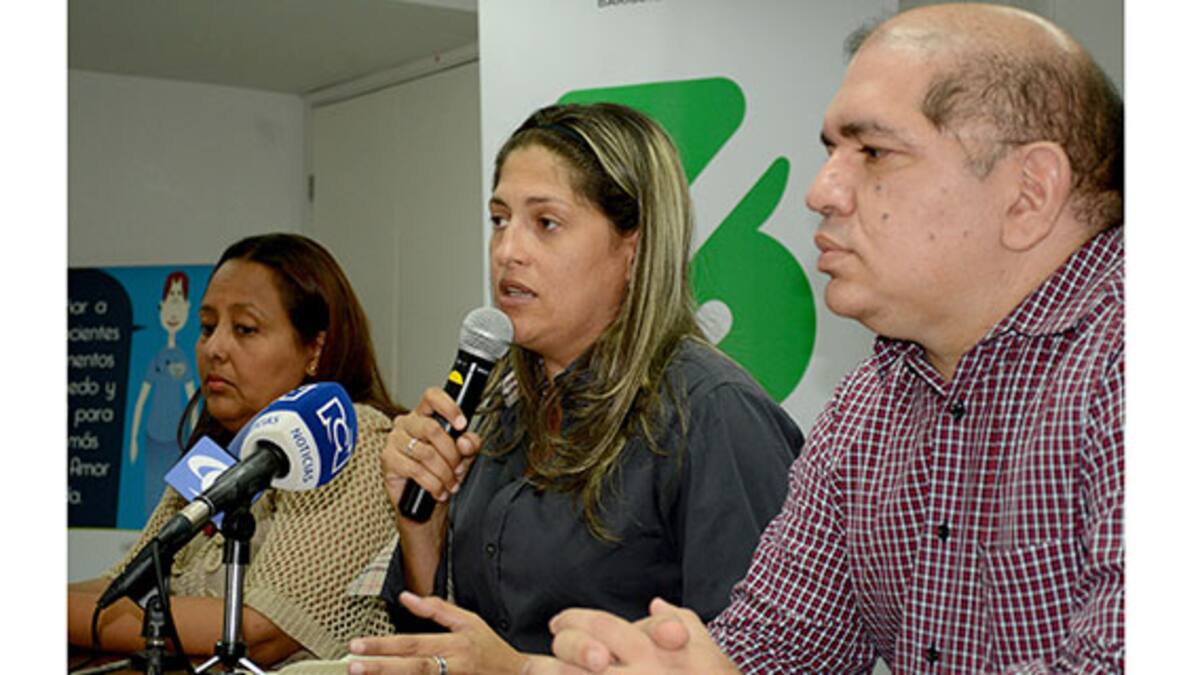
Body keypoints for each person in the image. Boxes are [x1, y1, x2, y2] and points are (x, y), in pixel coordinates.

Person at [529, 3, 1124, 673]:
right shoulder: (870, 401)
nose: (821, 191)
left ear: (1029, 193)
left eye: (874, 152)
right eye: (831, 152)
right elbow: (784, 641)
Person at [345, 103, 803, 674]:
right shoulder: (495, 406)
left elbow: (758, 662)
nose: (507, 251)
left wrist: (516, 671)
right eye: (499, 220)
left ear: (633, 248)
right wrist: (422, 525)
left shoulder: (713, 412)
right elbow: (441, 646)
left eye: (546, 223)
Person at [68, 233, 406, 667]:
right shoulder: (218, 450)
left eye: (244, 329)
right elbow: (123, 587)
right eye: (208, 327)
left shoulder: (348, 437)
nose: (214, 348)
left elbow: (258, 630)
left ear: (315, 349)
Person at [128, 270, 198, 519]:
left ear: (188, 308)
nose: (174, 310)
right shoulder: (156, 358)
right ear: (161, 307)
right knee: (153, 493)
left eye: (179, 300)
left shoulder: (185, 360)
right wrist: (134, 438)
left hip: (176, 440)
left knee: (178, 501)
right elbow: (141, 400)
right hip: (153, 435)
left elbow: (193, 403)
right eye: (170, 300)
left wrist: (195, 442)